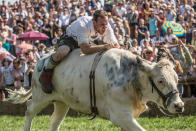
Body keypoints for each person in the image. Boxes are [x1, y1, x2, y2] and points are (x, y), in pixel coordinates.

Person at [39, 10, 119, 94]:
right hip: (70, 39)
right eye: (102, 24)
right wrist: (104, 46)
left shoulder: (106, 26)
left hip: (86, 40)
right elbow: (85, 50)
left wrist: (115, 47)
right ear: (94, 22)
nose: (105, 27)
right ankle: (46, 72)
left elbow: (115, 45)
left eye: (106, 23)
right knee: (63, 52)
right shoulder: (83, 25)